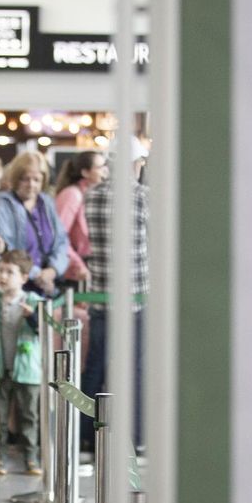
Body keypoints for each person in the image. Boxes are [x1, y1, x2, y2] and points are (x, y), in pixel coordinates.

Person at [81, 156, 149, 449]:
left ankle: (84, 435)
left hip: (101, 295)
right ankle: (136, 436)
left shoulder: (91, 196)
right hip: (136, 297)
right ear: (135, 164)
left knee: (95, 367)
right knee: (135, 368)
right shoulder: (143, 197)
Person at [0, 152, 68, 296]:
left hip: (48, 285)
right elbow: (7, 249)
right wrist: (38, 275)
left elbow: (62, 241)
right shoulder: (0, 204)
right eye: (25, 179)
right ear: (16, 179)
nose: (31, 185)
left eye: (37, 180)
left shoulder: (46, 202)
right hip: (16, 290)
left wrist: (52, 271)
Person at [0, 249, 43, 475]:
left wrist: (32, 317)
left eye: (10, 272)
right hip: (0, 367)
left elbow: (44, 330)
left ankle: (31, 457)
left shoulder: (33, 302)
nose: (3, 276)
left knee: (29, 416)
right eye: (1, 270)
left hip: (27, 370)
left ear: (24, 278)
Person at [53, 151, 106, 283]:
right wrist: (78, 265)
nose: (106, 171)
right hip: (73, 272)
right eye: (99, 167)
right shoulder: (72, 195)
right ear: (85, 173)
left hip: (86, 268)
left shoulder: (91, 195)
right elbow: (59, 237)